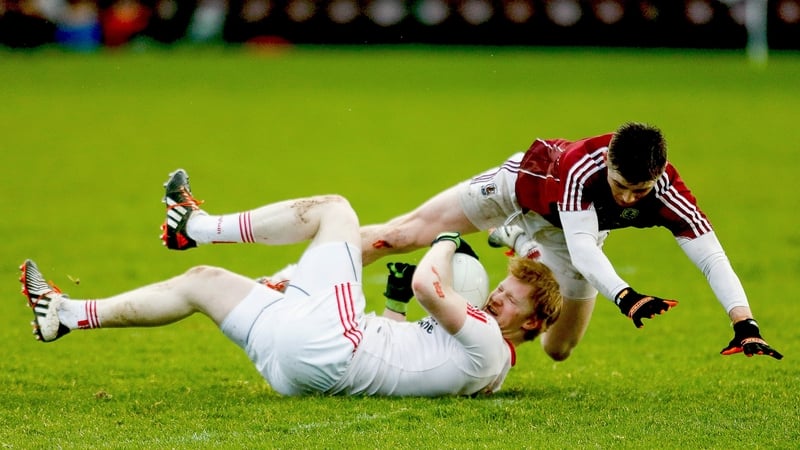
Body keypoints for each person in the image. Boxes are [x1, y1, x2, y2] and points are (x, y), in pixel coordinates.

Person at [19, 169, 562, 397]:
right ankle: (65, 315)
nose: (496, 297)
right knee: (200, 283)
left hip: (330, 347)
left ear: (532, 323)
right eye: (501, 288)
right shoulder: (481, 359)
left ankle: (195, 226)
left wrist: (449, 238)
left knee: (335, 211)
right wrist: (392, 306)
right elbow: (397, 355)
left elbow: (427, 285)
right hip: (302, 366)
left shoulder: (490, 342)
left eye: (511, 298)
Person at [358, 122, 783, 361]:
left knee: (558, 348)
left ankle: (521, 240)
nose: (629, 199)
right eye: (621, 186)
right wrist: (626, 296)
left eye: (641, 191)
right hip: (518, 189)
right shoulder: (583, 169)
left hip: (567, 233)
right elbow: (584, 250)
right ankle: (317, 273)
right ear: (608, 164)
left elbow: (711, 255)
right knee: (401, 235)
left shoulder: (668, 193)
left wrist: (744, 324)